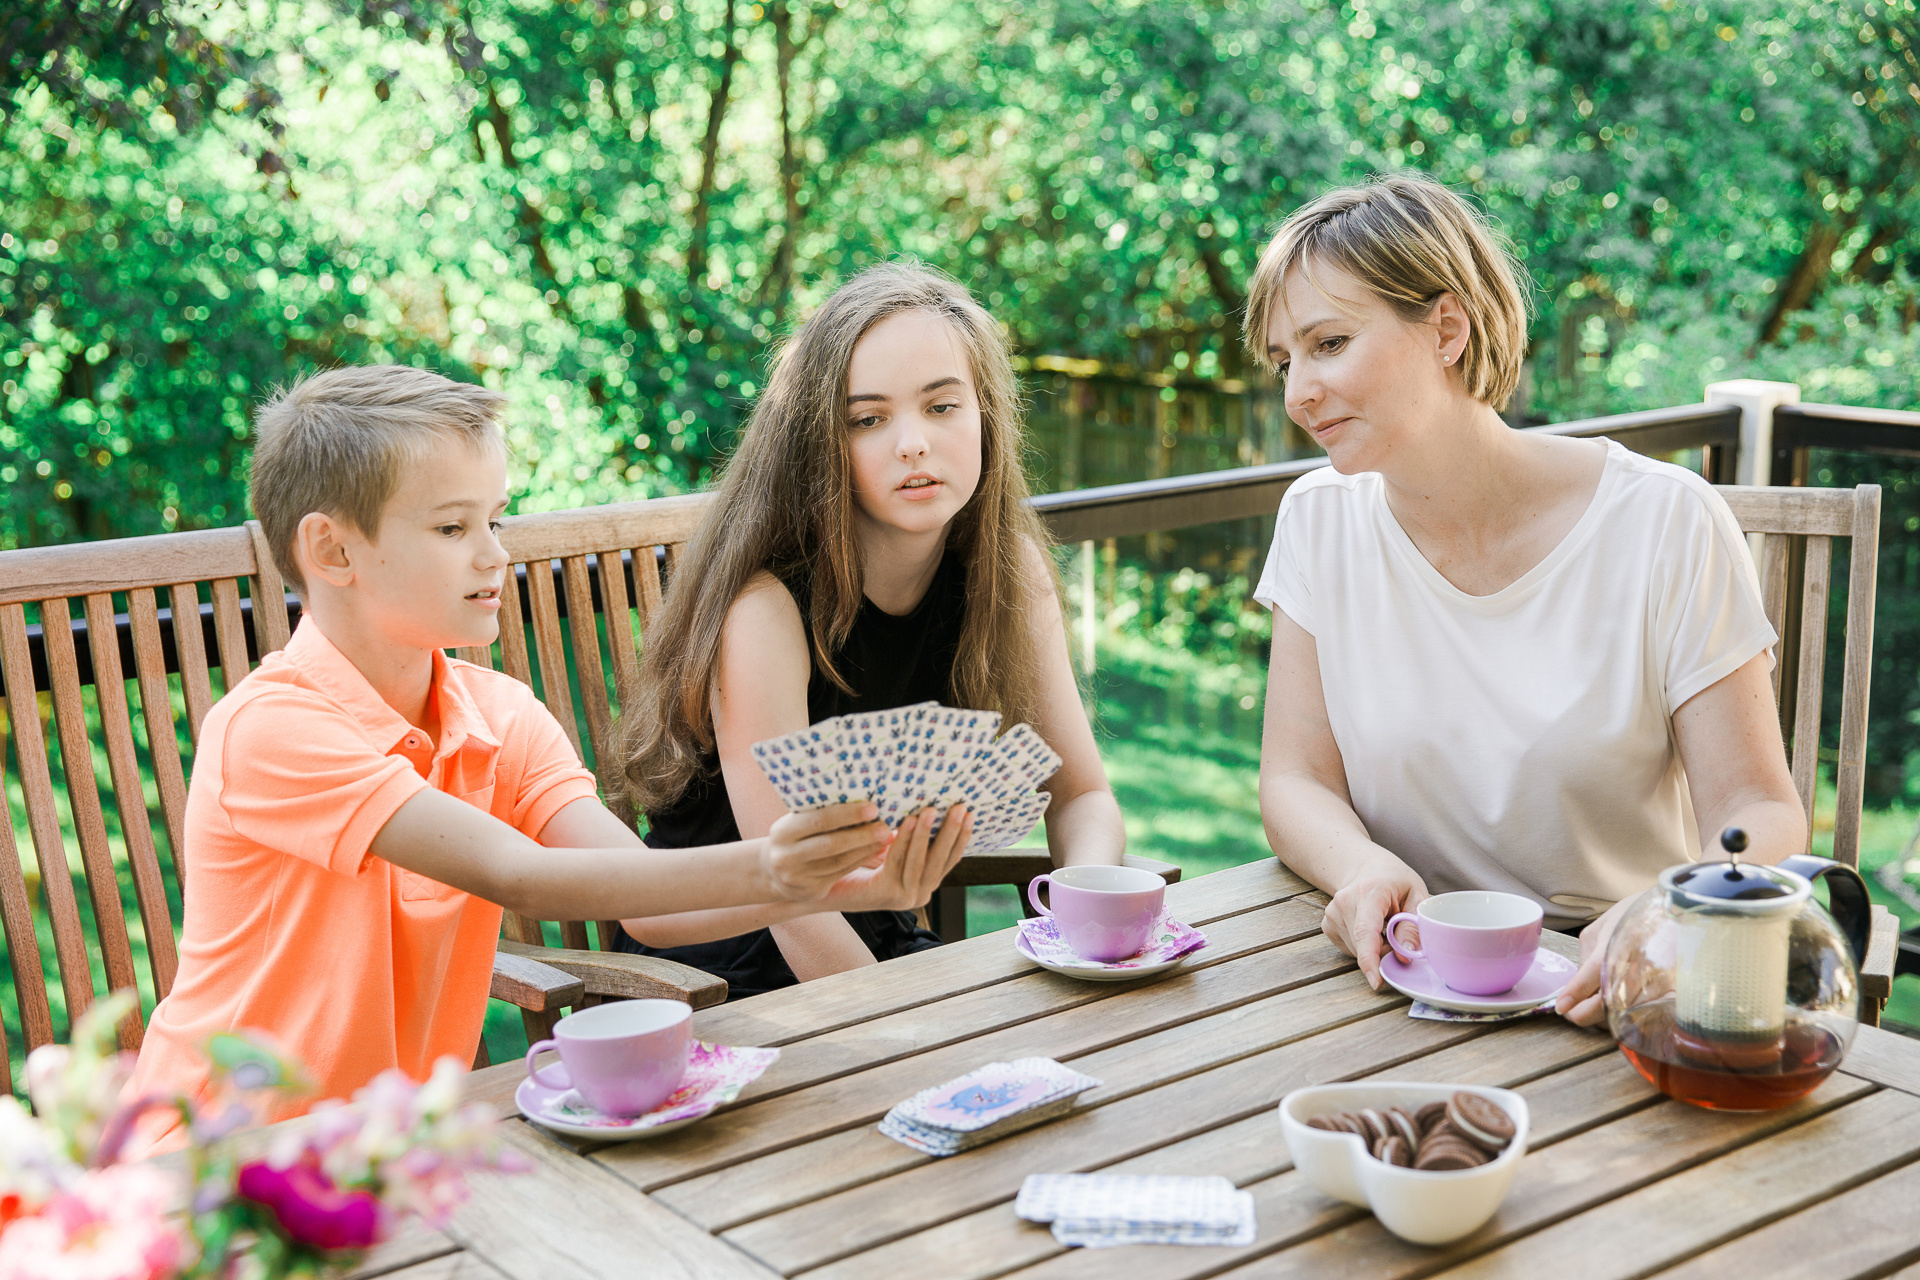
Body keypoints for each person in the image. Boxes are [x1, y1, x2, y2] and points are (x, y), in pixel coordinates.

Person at [122, 366, 968, 1154]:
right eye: (454, 527)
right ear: (333, 552)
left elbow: (655, 912)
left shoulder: (500, 717)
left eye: (497, 519)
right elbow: (519, 876)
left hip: (394, 1156)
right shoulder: (274, 729)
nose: (496, 553)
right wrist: (779, 869)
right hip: (213, 1163)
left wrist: (843, 883)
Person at [1245, 175, 1805, 1026]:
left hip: (1616, 981)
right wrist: (1358, 867)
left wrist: (1669, 915)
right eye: (1285, 362)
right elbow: (1294, 778)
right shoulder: (1318, 521)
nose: (1298, 395)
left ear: (1447, 329)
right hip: (1400, 972)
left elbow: (1759, 810)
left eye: (1329, 344)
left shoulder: (1663, 521)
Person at [613, 262, 1126, 998]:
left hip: (884, 943)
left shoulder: (1006, 572)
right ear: (821, 443)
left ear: (985, 414)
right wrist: (913, 1039)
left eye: (943, 407)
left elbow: (1081, 797)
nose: (913, 443)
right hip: (724, 979)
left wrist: (1086, 913)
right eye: (869, 419)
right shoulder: (764, 608)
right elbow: (789, 893)